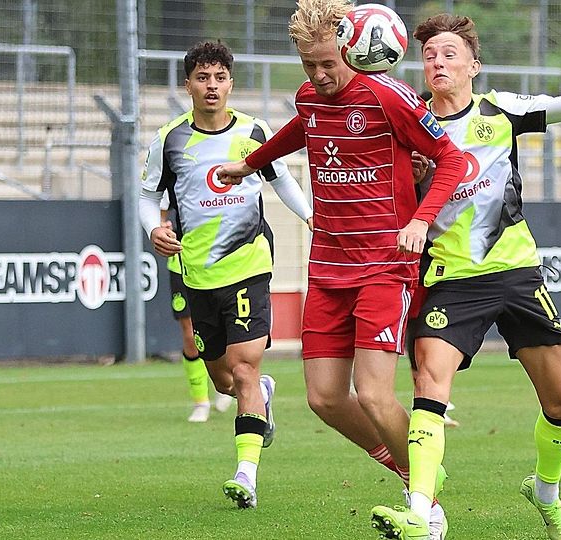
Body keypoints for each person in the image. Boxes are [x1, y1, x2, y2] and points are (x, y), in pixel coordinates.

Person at [370, 14, 561, 540]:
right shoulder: (409, 127)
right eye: (430, 54)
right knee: (428, 384)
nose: (438, 61)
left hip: (518, 274)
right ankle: (418, 510)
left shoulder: (501, 110)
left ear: (474, 65)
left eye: (449, 53)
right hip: (450, 278)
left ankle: (545, 491)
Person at [217, 0, 466, 535]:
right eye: (309, 65)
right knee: (324, 399)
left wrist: (422, 219)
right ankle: (413, 468)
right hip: (327, 266)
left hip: (384, 265)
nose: (319, 75)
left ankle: (426, 505)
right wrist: (252, 164)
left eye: (328, 63)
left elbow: (453, 160)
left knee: (374, 393)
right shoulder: (311, 96)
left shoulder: (387, 96)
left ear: (353, 48)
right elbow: (300, 128)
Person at [138, 41, 313, 509]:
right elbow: (146, 195)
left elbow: (282, 181)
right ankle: (263, 395)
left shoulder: (255, 131)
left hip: (249, 265)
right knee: (223, 379)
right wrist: (153, 227)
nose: (211, 86)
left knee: (244, 366)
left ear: (231, 82)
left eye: (219, 78)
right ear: (188, 83)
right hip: (197, 272)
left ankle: (246, 474)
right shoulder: (170, 139)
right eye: (202, 78)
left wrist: (314, 219)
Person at [160, 191, 234, 422]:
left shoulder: (218, 177)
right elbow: (159, 215)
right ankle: (200, 401)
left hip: (218, 261)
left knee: (223, 328)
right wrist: (163, 229)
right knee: (190, 334)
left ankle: (229, 380)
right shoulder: (173, 175)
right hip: (181, 263)